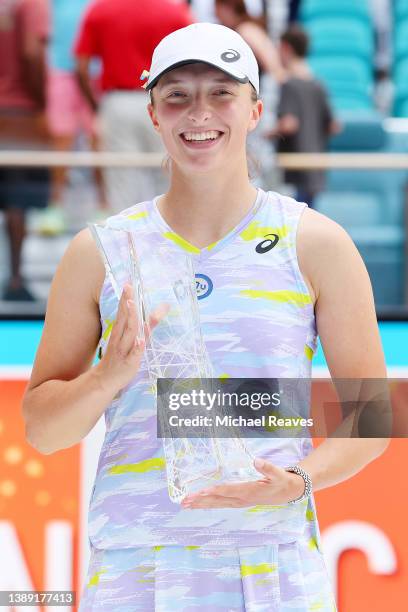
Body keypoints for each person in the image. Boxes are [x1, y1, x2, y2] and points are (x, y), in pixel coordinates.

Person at [22, 22, 389, 611]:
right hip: (133, 570)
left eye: (222, 92)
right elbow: (42, 431)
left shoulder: (315, 244)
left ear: (255, 110)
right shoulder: (101, 252)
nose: (199, 113)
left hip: (271, 570)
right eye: (177, 95)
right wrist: (105, 379)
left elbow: (373, 416)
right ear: (152, 113)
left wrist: (296, 482)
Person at [73, 0, 194, 212]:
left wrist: (98, 107)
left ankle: (126, 243)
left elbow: (81, 67)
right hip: (165, 98)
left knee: (122, 186)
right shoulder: (174, 11)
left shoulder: (100, 9)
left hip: (119, 100)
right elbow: (193, 62)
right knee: (169, 178)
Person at [37, 0, 108, 236]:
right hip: (61, 69)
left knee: (99, 140)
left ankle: (104, 205)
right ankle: (55, 206)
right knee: (61, 139)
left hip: (96, 71)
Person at [0, 0, 50, 301]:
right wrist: (41, 103)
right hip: (18, 112)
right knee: (17, 201)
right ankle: (16, 279)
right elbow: (33, 53)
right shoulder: (31, 3)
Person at [268, 25, 340, 207]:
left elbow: (289, 124)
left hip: (295, 169)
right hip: (316, 167)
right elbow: (334, 125)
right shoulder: (319, 85)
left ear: (286, 48)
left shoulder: (289, 85)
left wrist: (267, 133)